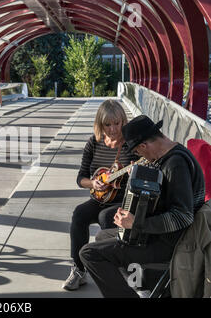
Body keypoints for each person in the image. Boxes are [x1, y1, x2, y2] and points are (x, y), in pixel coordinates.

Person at [79, 115, 205, 297]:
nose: (140, 157)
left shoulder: (176, 164)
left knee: (89, 253)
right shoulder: (169, 155)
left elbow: (182, 216)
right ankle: (139, 285)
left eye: (138, 152)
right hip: (161, 234)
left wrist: (136, 223)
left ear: (144, 146)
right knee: (101, 235)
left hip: (171, 241)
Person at [63, 99, 139, 291]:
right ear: (100, 124)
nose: (113, 129)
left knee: (106, 217)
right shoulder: (94, 143)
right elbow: (81, 177)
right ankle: (78, 270)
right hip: (99, 197)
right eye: (107, 124)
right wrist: (92, 183)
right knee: (79, 214)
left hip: (122, 200)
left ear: (123, 122)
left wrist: (134, 173)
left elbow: (145, 174)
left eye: (117, 123)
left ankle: (116, 270)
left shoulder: (132, 145)